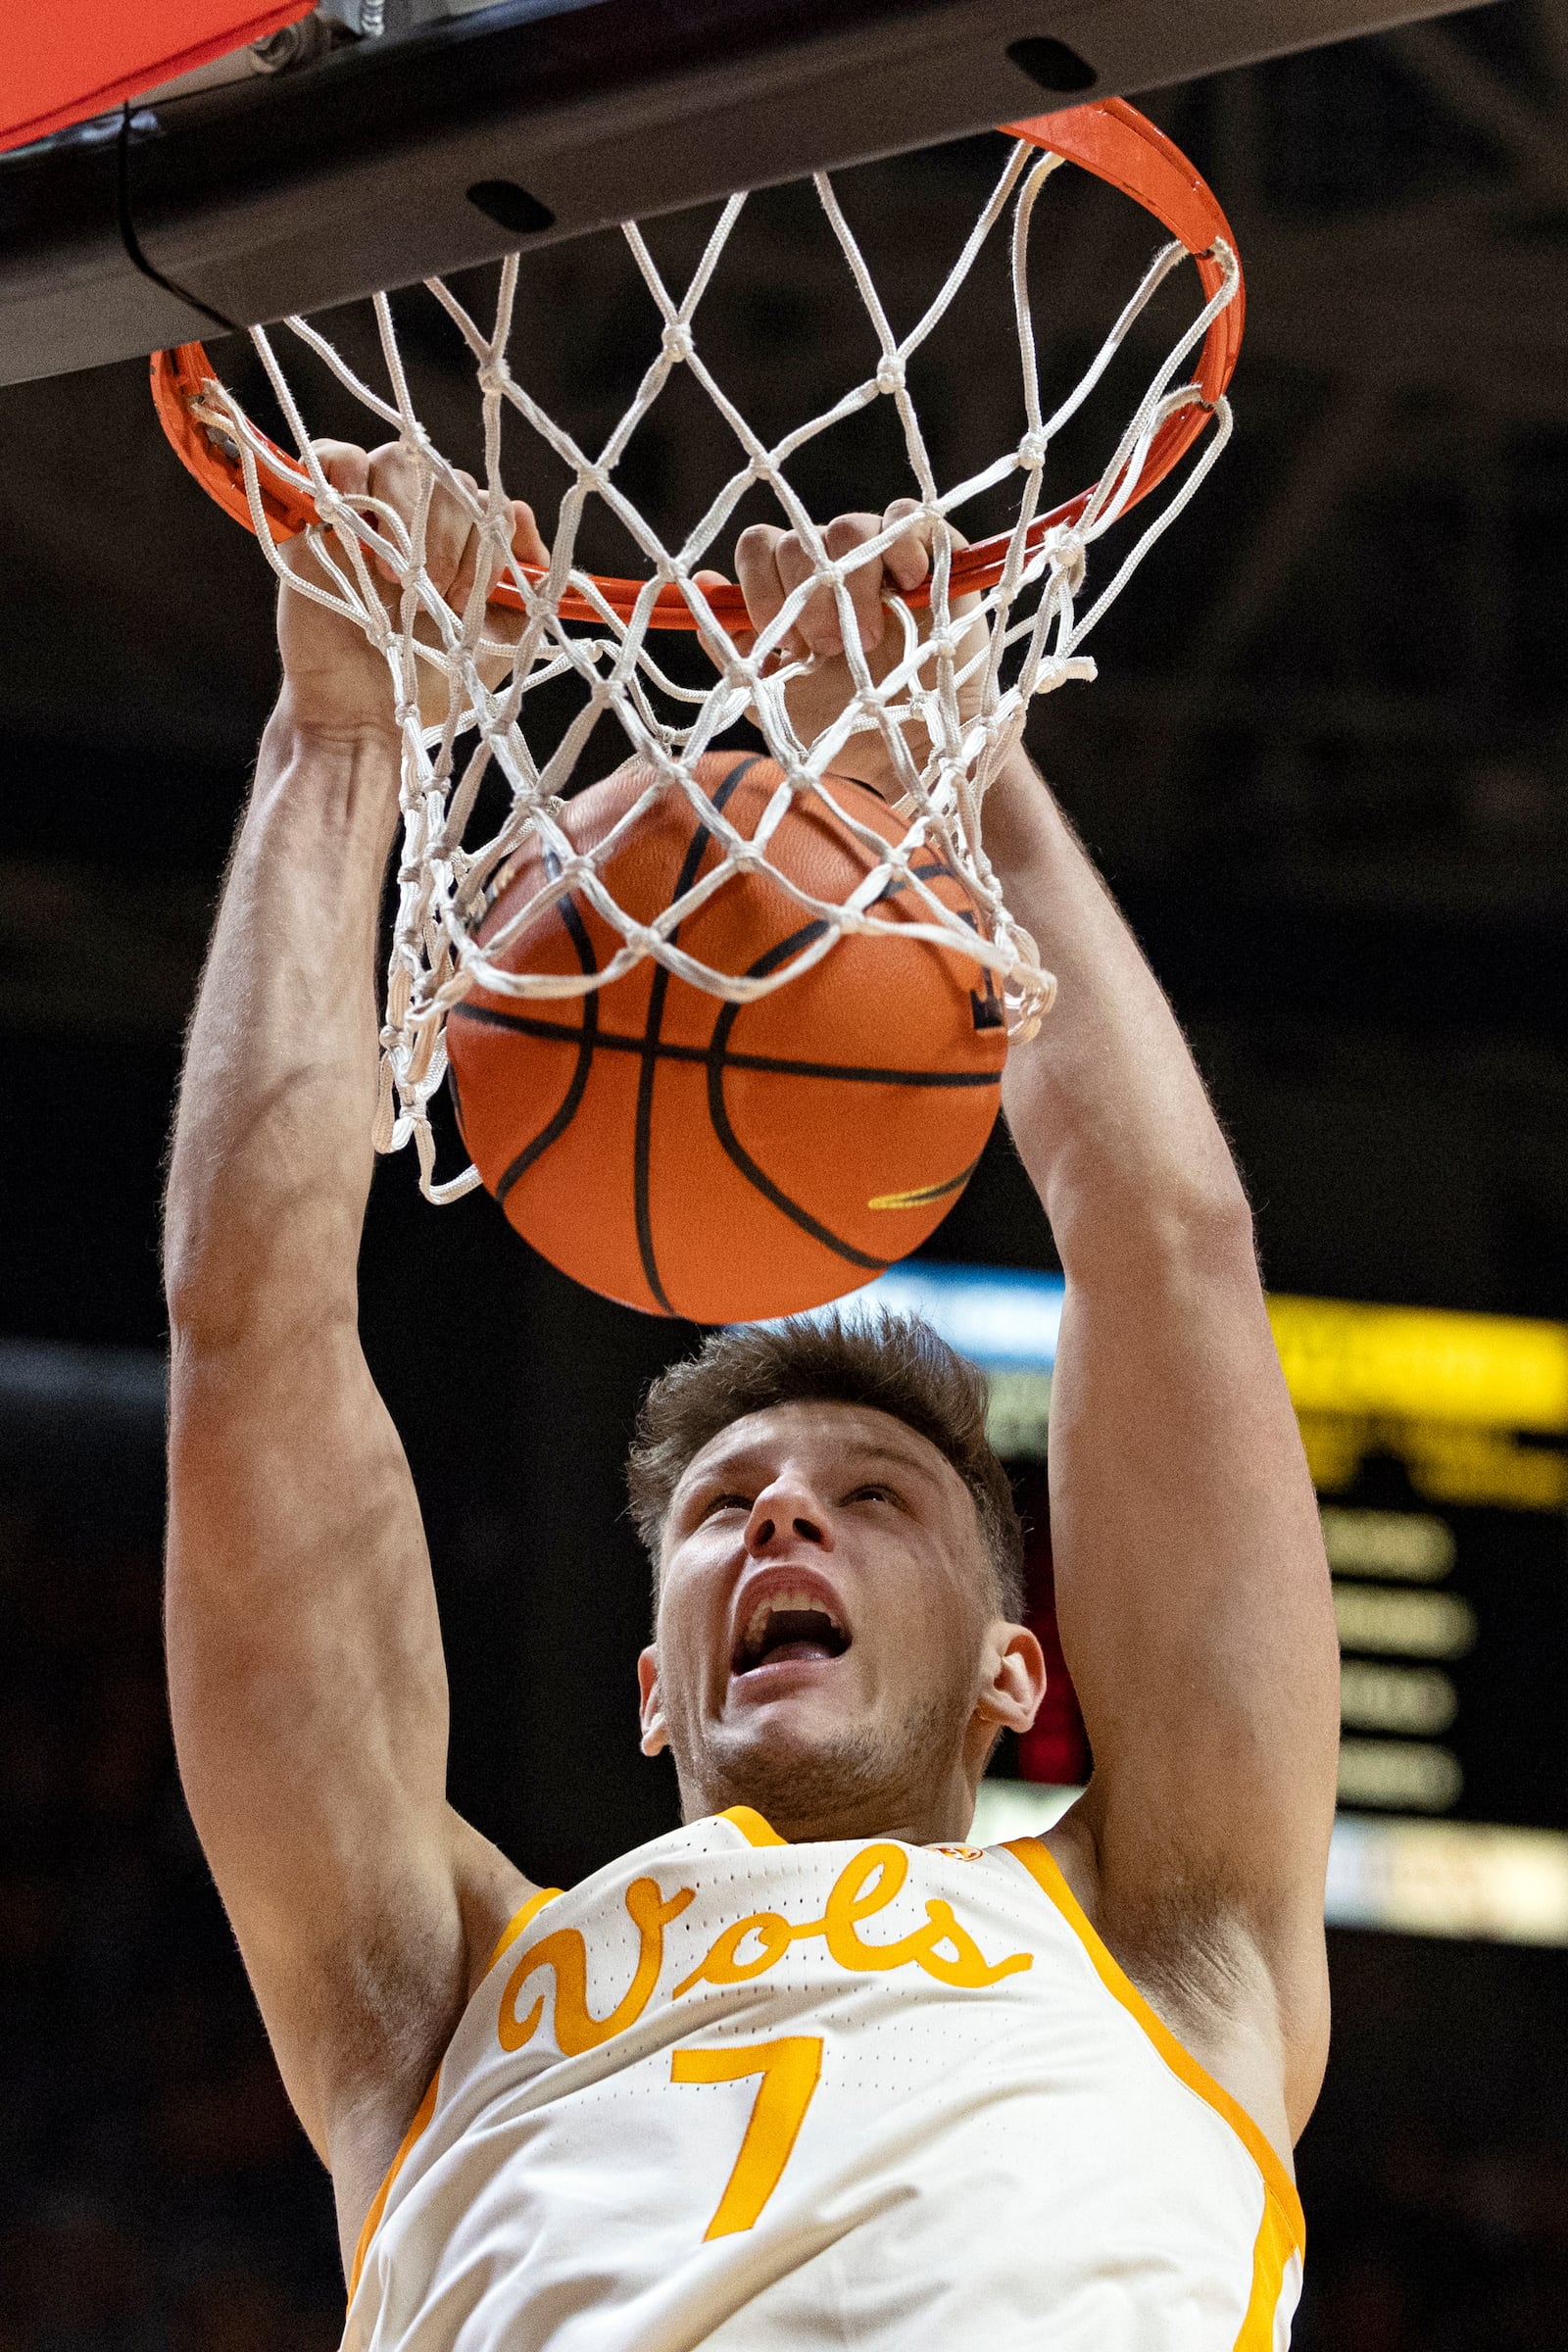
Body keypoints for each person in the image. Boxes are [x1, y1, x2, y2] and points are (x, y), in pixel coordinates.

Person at [163, 445, 1341, 2349]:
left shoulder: (1162, 1935)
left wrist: (951, 774)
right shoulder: (438, 1993)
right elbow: (250, 1339)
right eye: (723, 1509)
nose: (779, 1516)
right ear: (653, 1685)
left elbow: (1170, 1250)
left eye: (873, 1497)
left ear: (1012, 1673)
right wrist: (337, 733)